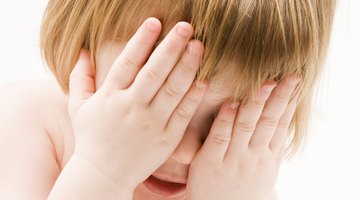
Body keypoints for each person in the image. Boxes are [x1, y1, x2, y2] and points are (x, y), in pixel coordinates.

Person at [0, 0, 336, 199]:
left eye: (222, 125)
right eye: (154, 99)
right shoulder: (25, 121)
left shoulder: (237, 181)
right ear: (80, 39)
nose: (185, 152)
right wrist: (101, 172)